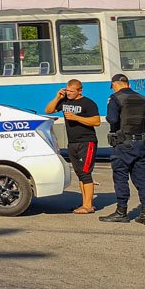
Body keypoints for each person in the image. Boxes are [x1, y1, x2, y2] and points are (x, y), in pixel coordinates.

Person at [101, 74, 145, 225]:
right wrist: (139, 118)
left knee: (121, 176)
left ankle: (121, 212)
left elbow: (113, 119)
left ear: (116, 84)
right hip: (141, 143)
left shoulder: (115, 98)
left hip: (123, 143)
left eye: (113, 85)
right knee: (140, 178)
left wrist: (123, 117)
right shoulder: (143, 98)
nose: (113, 88)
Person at [44, 79, 101, 214]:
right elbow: (49, 110)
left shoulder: (88, 103)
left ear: (79, 91)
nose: (68, 93)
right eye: (67, 90)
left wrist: (77, 118)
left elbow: (96, 121)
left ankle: (88, 206)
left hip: (87, 142)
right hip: (73, 142)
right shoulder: (65, 101)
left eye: (71, 91)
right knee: (80, 173)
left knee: (86, 173)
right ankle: (84, 203)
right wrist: (58, 97)